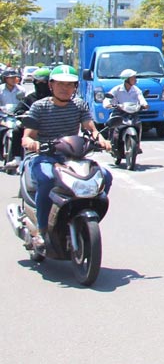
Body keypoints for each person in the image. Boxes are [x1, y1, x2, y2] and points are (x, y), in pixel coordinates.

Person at [20, 64, 112, 250]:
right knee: (47, 179)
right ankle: (42, 229)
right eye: (60, 84)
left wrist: (102, 140)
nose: (65, 88)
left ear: (75, 87)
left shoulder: (79, 105)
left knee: (105, 176)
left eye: (69, 85)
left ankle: (85, 213)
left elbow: (90, 128)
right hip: (45, 157)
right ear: (51, 85)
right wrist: (32, 143)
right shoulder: (40, 107)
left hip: (72, 158)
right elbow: (27, 136)